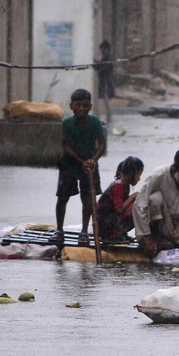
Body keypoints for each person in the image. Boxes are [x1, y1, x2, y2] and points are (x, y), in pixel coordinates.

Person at [52, 89, 106, 246]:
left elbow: (101, 144)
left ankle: (84, 232)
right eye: (78, 105)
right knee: (62, 197)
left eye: (85, 105)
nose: (81, 108)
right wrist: (80, 160)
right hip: (69, 163)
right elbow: (66, 146)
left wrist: (93, 160)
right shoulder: (67, 123)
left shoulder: (95, 122)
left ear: (90, 106)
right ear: (71, 106)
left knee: (88, 198)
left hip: (89, 163)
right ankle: (59, 230)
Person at [132, 149, 179, 257]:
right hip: (162, 223)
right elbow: (139, 204)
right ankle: (158, 238)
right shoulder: (158, 175)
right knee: (155, 199)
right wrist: (147, 237)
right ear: (176, 167)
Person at [96, 156, 143, 242]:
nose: (139, 179)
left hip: (110, 219)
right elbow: (119, 209)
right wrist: (132, 197)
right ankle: (113, 235)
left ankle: (120, 233)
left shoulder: (125, 185)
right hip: (104, 225)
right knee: (136, 208)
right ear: (133, 173)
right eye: (139, 175)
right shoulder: (118, 186)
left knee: (138, 206)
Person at [93, 40, 115, 125]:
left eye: (103, 49)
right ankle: (109, 118)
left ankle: (109, 118)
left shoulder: (108, 58)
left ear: (106, 49)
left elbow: (102, 67)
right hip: (105, 81)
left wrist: (95, 63)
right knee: (106, 100)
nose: (102, 51)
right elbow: (100, 66)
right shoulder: (106, 57)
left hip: (106, 81)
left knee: (107, 100)